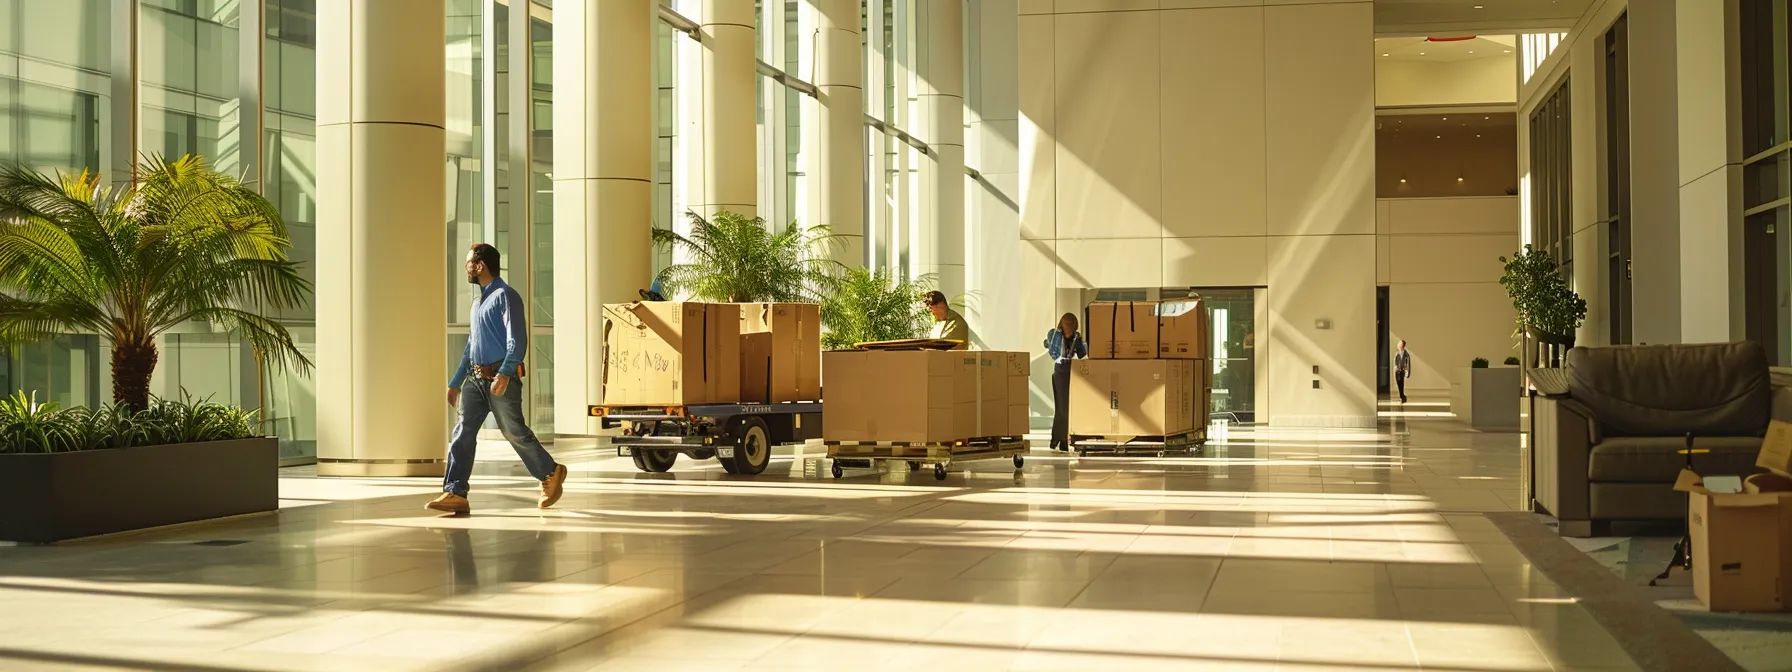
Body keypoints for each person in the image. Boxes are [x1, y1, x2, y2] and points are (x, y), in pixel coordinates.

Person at [428, 243, 569, 515]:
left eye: (469, 263)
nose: (466, 268)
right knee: (462, 432)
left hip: (501, 377)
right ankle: (455, 492)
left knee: (513, 431)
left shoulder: (506, 296)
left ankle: (551, 472)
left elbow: (517, 339)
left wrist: (505, 373)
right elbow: (471, 346)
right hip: (476, 379)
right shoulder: (477, 302)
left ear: (480, 265)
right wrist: (456, 381)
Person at [1044, 312, 1088, 451]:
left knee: (1066, 408)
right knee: (1062, 408)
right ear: (1062, 324)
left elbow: (1081, 354)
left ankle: (1057, 439)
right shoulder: (1055, 334)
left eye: (1071, 324)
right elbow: (1052, 351)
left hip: (1071, 371)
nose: (1068, 327)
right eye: (1066, 324)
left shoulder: (1076, 337)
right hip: (1060, 371)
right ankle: (1061, 439)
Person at [1394, 340, 1412, 404]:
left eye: (1400, 344)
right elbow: (1395, 362)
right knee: (1398, 383)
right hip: (1397, 371)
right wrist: (1395, 368)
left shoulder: (1406, 354)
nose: (1398, 345)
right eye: (1398, 343)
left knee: (1401, 383)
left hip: (1402, 371)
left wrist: (1407, 372)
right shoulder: (1397, 353)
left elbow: (1408, 364)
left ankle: (1402, 397)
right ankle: (1402, 396)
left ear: (1403, 345)